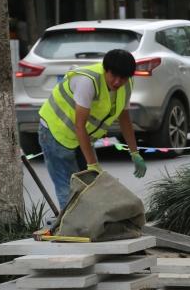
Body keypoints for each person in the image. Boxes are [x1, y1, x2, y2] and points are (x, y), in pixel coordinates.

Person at [38, 49, 146, 209]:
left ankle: (88, 227)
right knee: (69, 190)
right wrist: (92, 163)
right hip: (55, 133)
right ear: (105, 70)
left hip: (81, 136)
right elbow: (79, 124)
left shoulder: (127, 85)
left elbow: (124, 117)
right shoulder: (88, 81)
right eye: (113, 76)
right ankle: (72, 230)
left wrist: (134, 152)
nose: (117, 82)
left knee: (91, 187)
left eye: (122, 78)